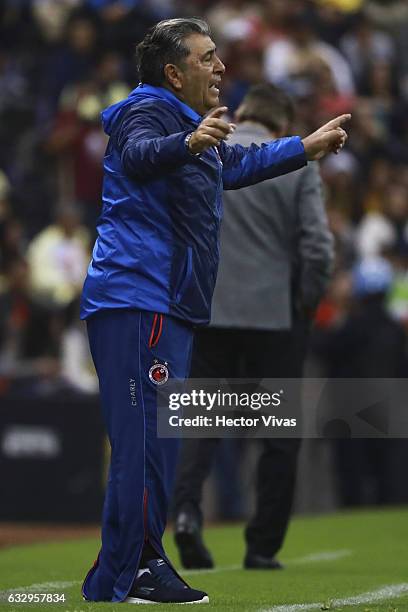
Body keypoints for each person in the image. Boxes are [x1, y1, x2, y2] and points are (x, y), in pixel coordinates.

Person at [79, 17, 349, 605]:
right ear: (174, 74)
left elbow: (236, 167)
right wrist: (189, 143)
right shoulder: (144, 112)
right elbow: (140, 154)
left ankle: (115, 574)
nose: (220, 67)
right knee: (147, 444)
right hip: (138, 295)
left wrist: (304, 148)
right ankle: (142, 567)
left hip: (165, 302)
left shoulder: (189, 123)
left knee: (155, 445)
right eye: (206, 58)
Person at [173, 83, 334, 571]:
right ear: (282, 127)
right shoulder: (298, 161)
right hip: (273, 317)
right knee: (278, 434)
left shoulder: (208, 146)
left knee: (201, 422)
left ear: (241, 114)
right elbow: (318, 248)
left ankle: (184, 514)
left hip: (208, 310)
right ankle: (262, 546)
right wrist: (305, 305)